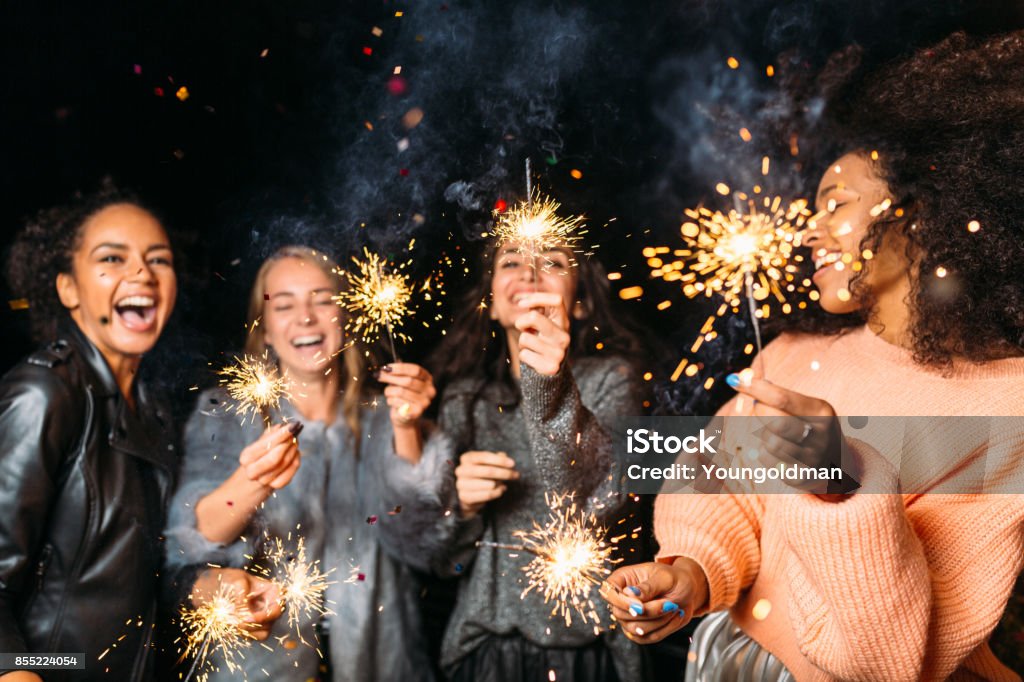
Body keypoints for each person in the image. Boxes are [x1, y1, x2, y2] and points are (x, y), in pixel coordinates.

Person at [602, 31, 1024, 681]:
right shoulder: (790, 358)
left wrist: (842, 481)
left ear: (922, 215)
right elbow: (724, 494)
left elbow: (886, 661)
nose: (809, 230)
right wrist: (687, 571)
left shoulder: (1009, 404)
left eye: (837, 205)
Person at [0, 185, 281, 682]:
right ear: (67, 288)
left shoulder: (154, 409)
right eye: (113, 257)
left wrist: (211, 589)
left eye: (159, 260)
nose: (141, 273)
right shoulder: (45, 393)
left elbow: (150, 574)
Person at [372, 237, 649, 681]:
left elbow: (605, 505)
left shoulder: (613, 381)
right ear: (493, 306)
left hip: (589, 650)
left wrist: (550, 384)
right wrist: (460, 508)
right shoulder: (466, 401)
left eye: (553, 261)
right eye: (512, 261)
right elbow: (446, 563)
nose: (529, 273)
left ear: (579, 304)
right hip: (487, 651)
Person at [163, 245, 436, 681]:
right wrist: (251, 482)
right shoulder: (225, 412)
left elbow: (426, 545)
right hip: (260, 669)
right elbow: (189, 543)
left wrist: (406, 428)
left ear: (346, 314)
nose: (306, 317)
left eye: (322, 299)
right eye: (284, 305)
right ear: (265, 329)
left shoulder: (386, 416)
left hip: (381, 660)